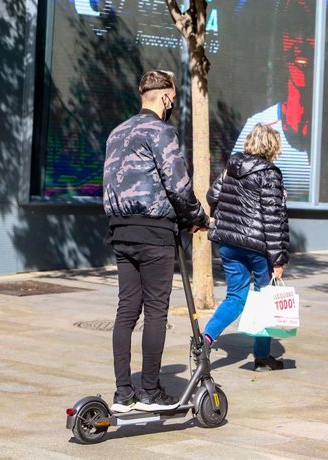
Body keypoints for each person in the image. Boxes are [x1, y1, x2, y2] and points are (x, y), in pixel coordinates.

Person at [102, 70, 210, 412]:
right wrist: (197, 218)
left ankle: (123, 394)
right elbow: (177, 185)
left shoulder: (116, 132)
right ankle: (149, 391)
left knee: (126, 310)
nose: (174, 104)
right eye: (173, 98)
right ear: (165, 97)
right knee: (156, 312)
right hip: (153, 233)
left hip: (120, 230)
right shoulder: (162, 132)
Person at [232, 0, 328, 203]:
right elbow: (235, 192)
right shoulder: (260, 125)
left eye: (309, 30)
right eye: (291, 30)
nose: (300, 43)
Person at [204, 123, 290, 372]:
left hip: (229, 243)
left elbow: (212, 196)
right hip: (258, 246)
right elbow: (273, 218)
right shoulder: (269, 173)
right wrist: (278, 259)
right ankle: (262, 357)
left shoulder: (232, 167)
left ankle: (205, 340)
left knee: (235, 297)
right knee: (265, 300)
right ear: (272, 146)